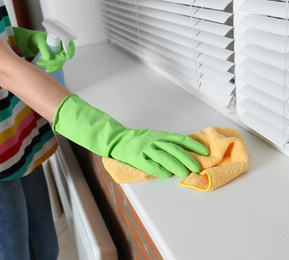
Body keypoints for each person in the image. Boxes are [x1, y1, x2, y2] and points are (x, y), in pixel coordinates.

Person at [0, 2, 209, 259]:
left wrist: (28, 41)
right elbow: (6, 70)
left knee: (44, 246)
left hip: (14, 145)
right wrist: (113, 140)